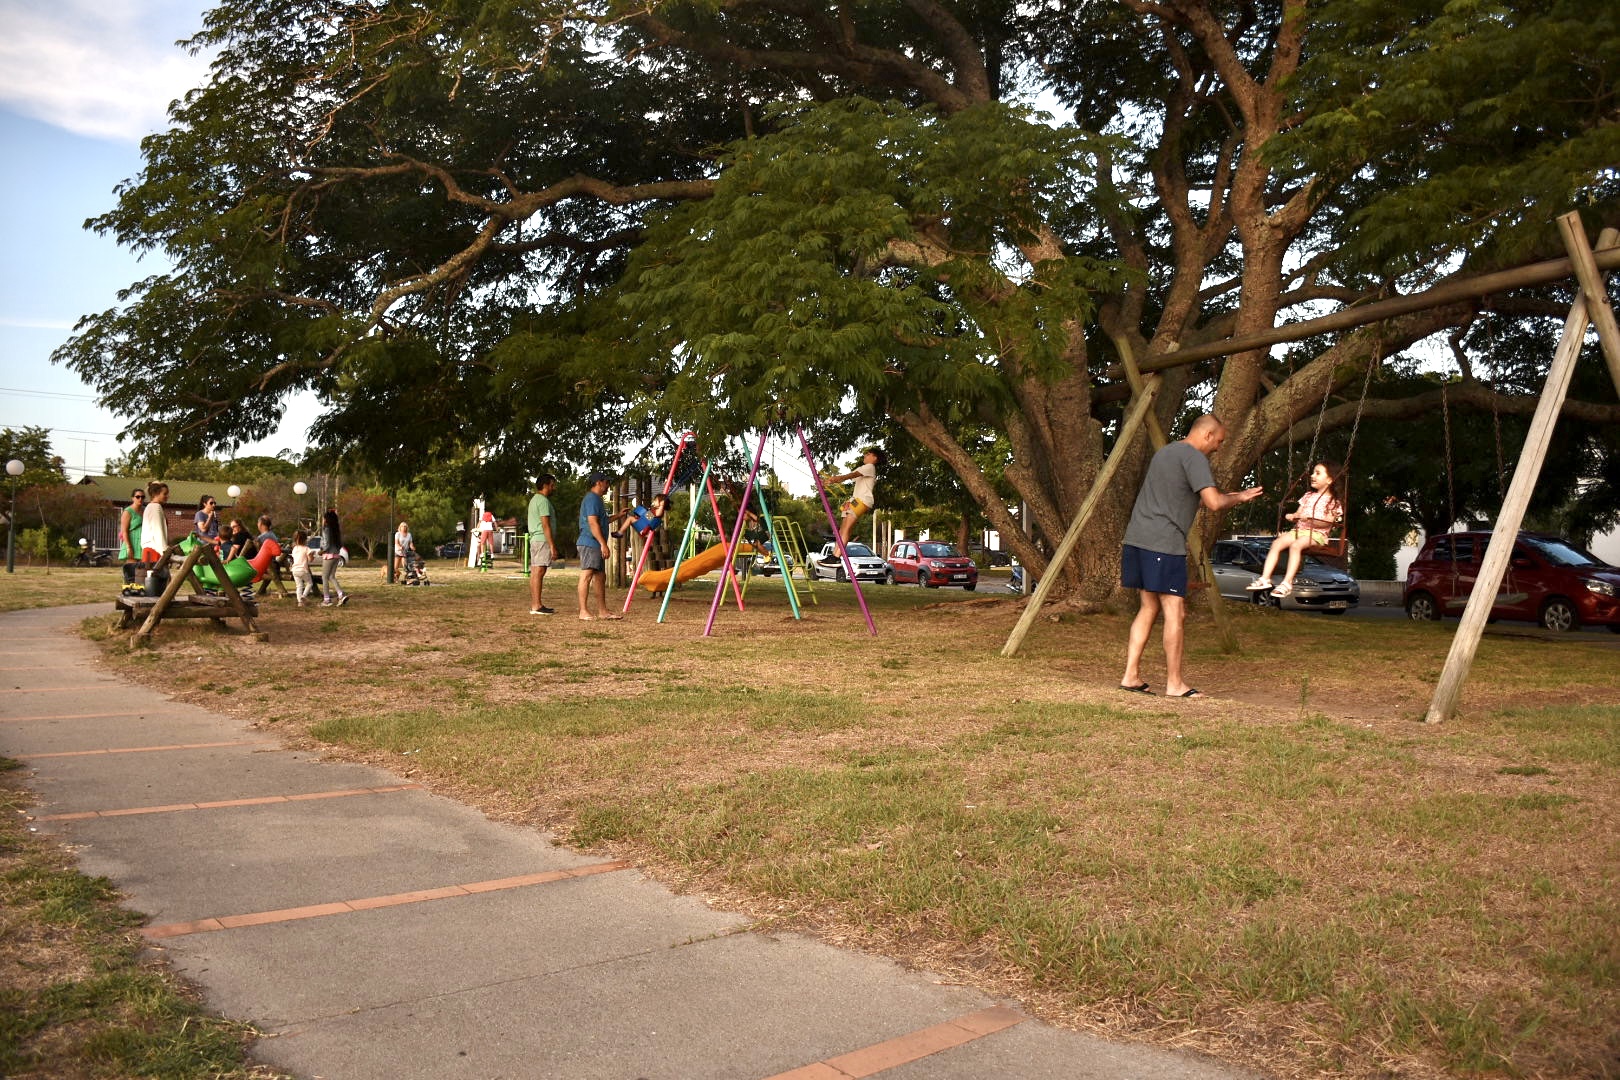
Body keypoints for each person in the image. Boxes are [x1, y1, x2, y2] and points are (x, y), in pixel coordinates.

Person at [1119, 415, 1264, 699]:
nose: (1218, 447)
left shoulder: (1166, 453)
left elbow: (1183, 496)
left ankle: (1131, 676)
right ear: (1207, 435)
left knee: (1148, 607)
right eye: (1219, 441)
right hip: (1163, 542)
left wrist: (1228, 494)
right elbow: (1213, 503)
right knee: (1176, 611)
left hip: (1137, 538)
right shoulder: (1195, 458)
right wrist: (1240, 497)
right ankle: (1175, 684)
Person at [1246, 460, 1345, 599]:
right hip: (1298, 531)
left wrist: (1310, 518)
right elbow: (1299, 513)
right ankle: (1265, 579)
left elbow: (1327, 522)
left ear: (1329, 480)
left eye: (1317, 473)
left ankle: (1287, 583)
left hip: (1316, 535)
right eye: (1312, 472)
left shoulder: (1333, 502)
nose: (1312, 475)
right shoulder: (1308, 496)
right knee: (1277, 543)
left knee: (1296, 546)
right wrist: (1293, 516)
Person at [576, 472, 619, 621]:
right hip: (590, 542)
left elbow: (602, 521)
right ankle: (583, 611)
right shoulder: (592, 499)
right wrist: (603, 544)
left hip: (595, 543)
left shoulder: (597, 500)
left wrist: (619, 515)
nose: (608, 486)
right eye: (607, 482)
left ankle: (603, 611)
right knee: (587, 575)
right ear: (599, 482)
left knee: (600, 576)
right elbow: (593, 523)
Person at [825, 448, 884, 544]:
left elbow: (852, 475)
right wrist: (832, 480)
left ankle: (835, 557)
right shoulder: (864, 468)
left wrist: (839, 478)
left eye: (868, 454)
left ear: (874, 457)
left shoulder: (870, 467)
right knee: (842, 530)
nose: (865, 455)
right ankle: (834, 556)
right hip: (855, 500)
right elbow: (851, 475)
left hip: (862, 500)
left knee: (846, 528)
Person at [527, 474, 558, 615]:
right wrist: (552, 545)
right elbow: (545, 525)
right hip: (542, 539)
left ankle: (536, 604)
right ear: (545, 485)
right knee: (539, 571)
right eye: (552, 485)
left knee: (535, 572)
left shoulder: (534, 500)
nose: (554, 488)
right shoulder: (543, 501)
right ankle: (536, 605)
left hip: (535, 539)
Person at [139, 482, 171, 595]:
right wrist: (165, 551)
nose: (167, 496)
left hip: (149, 549)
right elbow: (158, 531)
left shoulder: (149, 507)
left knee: (148, 584)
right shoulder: (156, 507)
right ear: (156, 494)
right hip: (155, 550)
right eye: (165, 493)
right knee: (158, 584)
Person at [118, 487, 144, 596]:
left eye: (142, 497)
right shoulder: (128, 511)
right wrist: (129, 547)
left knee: (141, 569)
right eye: (138, 497)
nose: (140, 499)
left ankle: (139, 590)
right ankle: (128, 591)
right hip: (132, 541)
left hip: (142, 542)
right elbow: (124, 531)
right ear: (133, 498)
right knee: (131, 568)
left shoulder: (144, 510)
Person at [320, 508, 349, 606]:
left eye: (323, 518)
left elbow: (327, 544)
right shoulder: (336, 530)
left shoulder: (326, 529)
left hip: (328, 555)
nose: (322, 520)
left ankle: (326, 600)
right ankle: (341, 595)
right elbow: (340, 545)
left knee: (324, 577)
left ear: (326, 520)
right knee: (331, 576)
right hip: (337, 555)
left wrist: (321, 551)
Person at [289, 529, 316, 607]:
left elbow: (295, 558)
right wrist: (312, 555)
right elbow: (310, 560)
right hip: (303, 570)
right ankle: (303, 596)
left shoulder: (294, 549)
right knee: (310, 583)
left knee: (299, 586)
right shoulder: (306, 548)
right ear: (305, 539)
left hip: (294, 570)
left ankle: (300, 602)